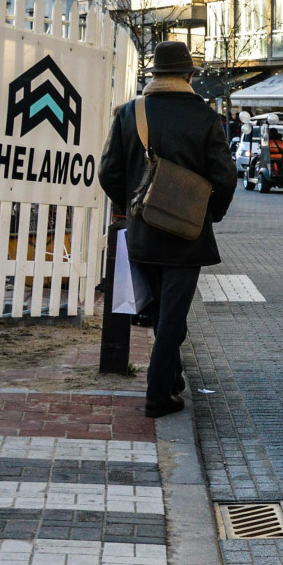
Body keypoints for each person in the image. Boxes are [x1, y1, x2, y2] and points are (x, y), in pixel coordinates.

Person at [97, 41, 237, 418]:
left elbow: (107, 172)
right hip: (186, 236)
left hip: (142, 233)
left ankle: (172, 380)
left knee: (161, 315)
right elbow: (225, 177)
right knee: (172, 317)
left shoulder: (130, 113)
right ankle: (159, 395)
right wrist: (210, 214)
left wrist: (133, 207)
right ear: (189, 76)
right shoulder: (206, 118)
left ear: (155, 76)